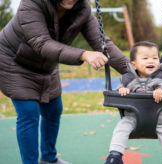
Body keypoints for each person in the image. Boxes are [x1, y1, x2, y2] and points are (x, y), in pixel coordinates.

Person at [0, 0, 129, 163]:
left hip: (47, 65)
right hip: (15, 63)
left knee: (54, 109)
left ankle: (48, 158)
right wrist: (84, 54)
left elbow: (104, 44)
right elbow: (41, 43)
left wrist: (134, 71)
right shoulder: (31, 3)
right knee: (29, 113)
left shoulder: (83, 9)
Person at [105, 41, 162, 164]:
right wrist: (122, 90)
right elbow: (117, 93)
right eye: (145, 58)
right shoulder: (127, 79)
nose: (151, 61)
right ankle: (115, 156)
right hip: (132, 119)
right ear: (134, 64)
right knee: (121, 128)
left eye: (155, 58)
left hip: (161, 121)